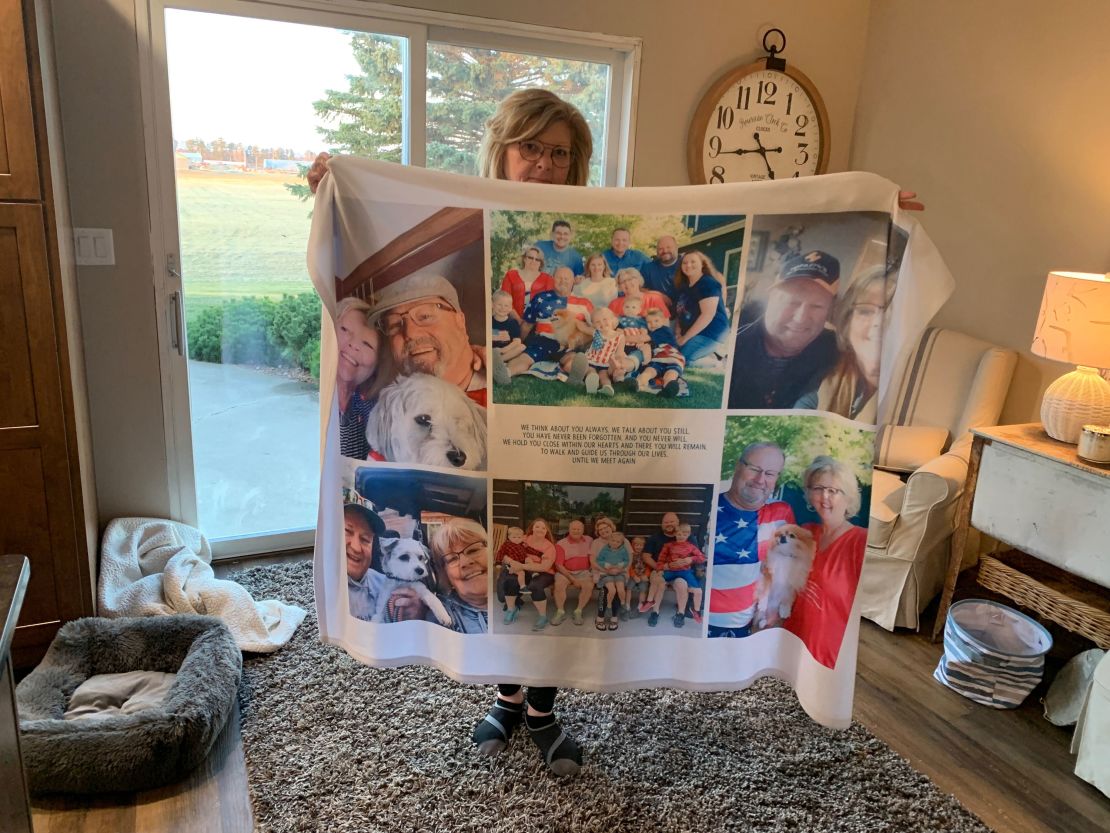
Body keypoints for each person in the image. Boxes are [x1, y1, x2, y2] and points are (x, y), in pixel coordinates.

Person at [783, 456, 868, 668]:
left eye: (833, 490)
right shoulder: (805, 532)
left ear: (848, 497)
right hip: (791, 641)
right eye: (818, 488)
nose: (824, 496)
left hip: (828, 656)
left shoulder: (860, 541)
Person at [727, 250, 840, 410]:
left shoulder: (835, 354)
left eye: (817, 306)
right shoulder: (732, 342)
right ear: (771, 297)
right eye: (792, 302)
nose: (801, 318)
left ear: (829, 311)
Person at [707, 443, 797, 638]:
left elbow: (788, 567)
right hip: (698, 624)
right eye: (754, 469)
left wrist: (771, 610)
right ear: (738, 466)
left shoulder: (782, 514)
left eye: (770, 473)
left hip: (749, 629)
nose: (760, 480)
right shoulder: (709, 507)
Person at [369, 272, 488, 408]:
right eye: (395, 324)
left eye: (425, 316)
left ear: (460, 321)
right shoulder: (392, 409)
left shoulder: (504, 387)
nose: (411, 333)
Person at [794, 267, 893, 422]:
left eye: (892, 311)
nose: (879, 323)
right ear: (847, 323)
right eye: (865, 311)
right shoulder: (826, 377)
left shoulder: (920, 388)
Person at [498, 266, 594, 382]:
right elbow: (527, 325)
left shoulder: (584, 303)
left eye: (566, 278)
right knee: (524, 359)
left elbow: (595, 326)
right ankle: (505, 374)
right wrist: (518, 343)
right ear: (553, 279)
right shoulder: (541, 298)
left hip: (569, 345)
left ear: (573, 280)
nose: (562, 281)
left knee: (572, 362)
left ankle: (589, 378)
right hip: (542, 341)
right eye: (559, 278)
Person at [344, 502, 423, 622]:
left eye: (365, 539)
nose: (356, 547)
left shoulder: (388, 584)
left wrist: (418, 614)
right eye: (347, 532)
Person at [335, 297, 394, 459]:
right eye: (345, 329)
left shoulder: (371, 410)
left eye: (367, 344)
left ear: (377, 364)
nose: (354, 345)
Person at [429, 517, 490, 634]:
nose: (465, 562)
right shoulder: (440, 615)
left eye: (473, 550)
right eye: (452, 559)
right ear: (445, 575)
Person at [673, 250, 729, 365]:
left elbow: (707, 315)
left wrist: (684, 339)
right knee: (671, 354)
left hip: (710, 332)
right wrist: (678, 334)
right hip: (692, 333)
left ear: (702, 264)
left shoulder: (708, 283)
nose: (688, 265)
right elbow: (680, 312)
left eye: (693, 261)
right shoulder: (683, 287)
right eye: (684, 263)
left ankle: (718, 362)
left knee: (683, 360)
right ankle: (709, 353)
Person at [502, 518, 558, 632]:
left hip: (544, 573)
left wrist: (521, 566)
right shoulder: (523, 538)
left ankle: (543, 617)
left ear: (547, 531)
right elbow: (504, 552)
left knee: (535, 585)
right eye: (537, 526)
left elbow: (544, 567)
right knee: (510, 579)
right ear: (532, 528)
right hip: (523, 569)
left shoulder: (549, 547)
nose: (540, 529)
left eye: (543, 528)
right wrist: (512, 562)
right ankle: (511, 610)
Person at [653, 522, 706, 628]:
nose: (681, 536)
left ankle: (695, 610)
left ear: (689, 535)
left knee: (698, 591)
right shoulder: (668, 545)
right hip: (670, 571)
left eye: (684, 534)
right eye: (679, 534)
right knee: (657, 582)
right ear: (675, 534)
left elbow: (702, 557)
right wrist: (660, 569)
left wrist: (690, 559)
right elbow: (661, 559)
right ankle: (654, 611)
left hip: (685, 572)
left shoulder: (691, 546)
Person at [551, 519, 595, 627]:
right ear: (569, 530)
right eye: (573, 529)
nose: (576, 531)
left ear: (583, 530)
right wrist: (572, 579)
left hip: (584, 571)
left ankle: (578, 611)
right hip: (565, 571)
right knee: (559, 584)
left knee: (589, 585)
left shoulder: (589, 540)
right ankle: (560, 612)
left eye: (579, 529)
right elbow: (559, 565)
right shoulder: (561, 543)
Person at [639, 512, 679, 627]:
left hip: (678, 572)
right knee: (659, 582)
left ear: (677, 523)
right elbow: (646, 556)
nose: (669, 524)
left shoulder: (685, 536)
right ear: (662, 524)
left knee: (682, 585)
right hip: (657, 569)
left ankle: (681, 613)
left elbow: (694, 556)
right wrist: (659, 567)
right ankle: (655, 612)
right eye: (666, 522)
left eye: (672, 522)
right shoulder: (655, 538)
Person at [635, 307, 685, 397]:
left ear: (662, 321)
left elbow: (642, 338)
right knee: (649, 371)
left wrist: (622, 337)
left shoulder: (663, 330)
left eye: (656, 321)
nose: (653, 324)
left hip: (672, 356)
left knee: (670, 374)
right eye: (649, 322)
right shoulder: (653, 334)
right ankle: (637, 383)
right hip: (659, 359)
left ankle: (669, 387)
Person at [592, 528, 632, 630]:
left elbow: (627, 560)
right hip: (605, 573)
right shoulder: (601, 546)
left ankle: (620, 609)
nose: (615, 543)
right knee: (610, 590)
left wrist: (620, 567)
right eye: (613, 541)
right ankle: (603, 613)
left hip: (619, 573)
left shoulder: (623, 548)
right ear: (609, 540)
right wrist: (607, 566)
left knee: (620, 589)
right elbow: (597, 560)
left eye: (618, 542)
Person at [580, 307, 625, 396]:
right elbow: (583, 328)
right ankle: (593, 383)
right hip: (591, 360)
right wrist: (575, 320)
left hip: (605, 364)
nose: (602, 323)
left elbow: (620, 353)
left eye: (605, 319)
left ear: (613, 320)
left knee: (604, 376)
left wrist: (619, 364)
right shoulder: (595, 332)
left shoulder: (620, 337)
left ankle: (607, 387)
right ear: (593, 325)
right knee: (590, 371)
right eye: (597, 322)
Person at [500, 246, 554, 318]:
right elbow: (504, 300)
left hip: (537, 322)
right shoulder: (511, 275)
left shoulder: (548, 279)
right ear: (524, 258)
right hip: (512, 321)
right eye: (530, 258)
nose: (533, 261)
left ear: (541, 263)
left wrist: (529, 324)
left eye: (537, 259)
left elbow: (548, 303)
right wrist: (518, 321)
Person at [495, 526, 543, 594]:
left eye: (519, 537)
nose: (517, 539)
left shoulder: (523, 544)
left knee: (528, 559)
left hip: (523, 561)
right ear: (509, 537)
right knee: (521, 573)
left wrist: (539, 554)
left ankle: (532, 571)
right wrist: (498, 562)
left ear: (522, 537)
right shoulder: (506, 544)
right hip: (513, 564)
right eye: (514, 537)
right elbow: (500, 553)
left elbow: (530, 549)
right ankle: (522, 587)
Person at [491, 289, 525, 361]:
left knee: (522, 347)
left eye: (506, 306)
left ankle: (500, 360)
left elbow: (517, 341)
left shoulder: (512, 322)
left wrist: (503, 350)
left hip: (507, 351)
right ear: (492, 305)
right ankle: (495, 360)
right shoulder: (489, 321)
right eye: (499, 304)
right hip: (492, 351)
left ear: (510, 308)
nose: (502, 308)